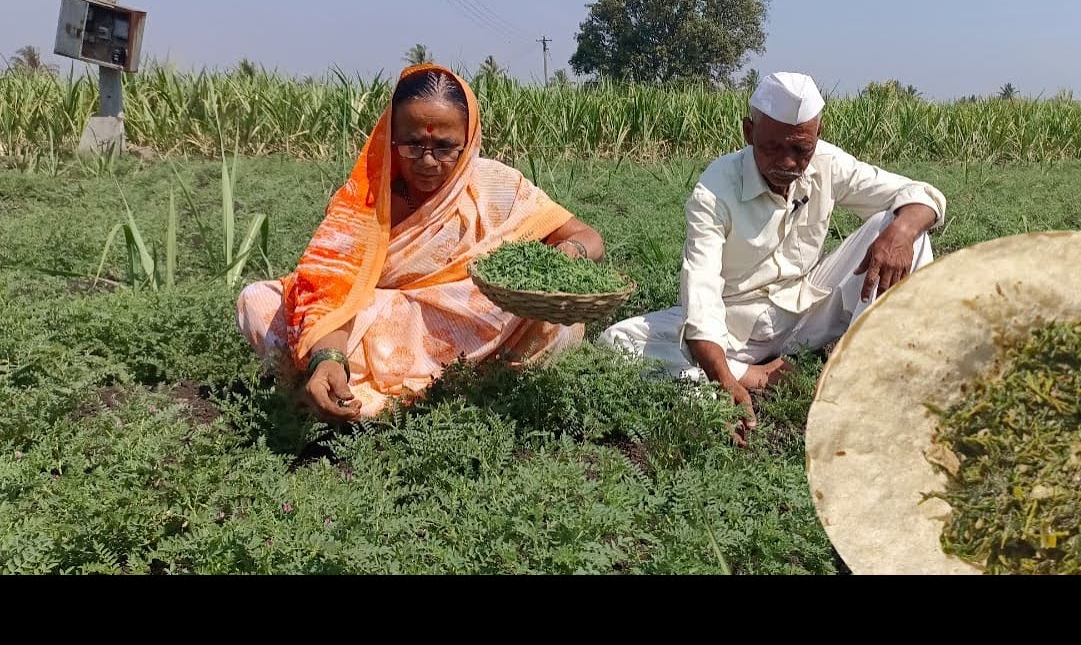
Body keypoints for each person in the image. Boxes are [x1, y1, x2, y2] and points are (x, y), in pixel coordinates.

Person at [237, 63, 605, 424]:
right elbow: (332, 288)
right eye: (413, 144)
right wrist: (328, 356)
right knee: (259, 301)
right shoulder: (365, 198)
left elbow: (587, 237)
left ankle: (368, 396)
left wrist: (566, 255)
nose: (428, 161)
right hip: (374, 327)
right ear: (390, 138)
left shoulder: (496, 185)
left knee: (522, 309)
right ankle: (349, 384)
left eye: (445, 147)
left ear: (469, 140)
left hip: (469, 324)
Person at [598, 72, 946, 445]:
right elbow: (701, 292)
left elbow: (921, 194)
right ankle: (754, 375)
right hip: (736, 327)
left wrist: (902, 232)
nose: (788, 162)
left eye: (801, 149)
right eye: (772, 147)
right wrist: (726, 379)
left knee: (901, 227)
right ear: (749, 132)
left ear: (817, 135)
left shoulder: (826, 163)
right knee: (618, 341)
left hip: (808, 307)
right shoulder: (715, 190)